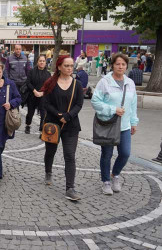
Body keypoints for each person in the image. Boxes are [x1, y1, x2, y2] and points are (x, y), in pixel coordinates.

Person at [91, 53, 139, 195]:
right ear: (112, 65)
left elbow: (133, 104)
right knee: (107, 154)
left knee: (125, 153)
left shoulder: (130, 83)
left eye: (123, 64)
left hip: (124, 126)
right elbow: (95, 102)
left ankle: (115, 175)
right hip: (109, 124)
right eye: (118, 64)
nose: (120, 66)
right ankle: (106, 181)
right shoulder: (104, 82)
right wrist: (113, 109)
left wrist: (133, 122)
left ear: (126, 66)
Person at [41, 55, 84, 201]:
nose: (69, 68)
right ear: (59, 67)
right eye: (66, 65)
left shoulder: (77, 84)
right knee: (50, 151)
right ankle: (48, 171)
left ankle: (70, 188)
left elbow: (79, 104)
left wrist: (68, 116)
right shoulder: (51, 82)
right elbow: (45, 102)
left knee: (70, 156)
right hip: (53, 124)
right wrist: (58, 114)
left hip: (71, 125)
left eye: (71, 66)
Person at [0, 61, 21, 187]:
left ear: (2, 72)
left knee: (0, 145)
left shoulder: (10, 84)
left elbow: (18, 98)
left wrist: (11, 104)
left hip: (5, 120)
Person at [24, 55, 51, 134]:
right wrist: (34, 91)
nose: (42, 62)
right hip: (32, 95)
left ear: (45, 62)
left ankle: (41, 130)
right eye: (40, 61)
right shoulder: (31, 71)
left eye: (43, 61)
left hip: (43, 96)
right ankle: (28, 125)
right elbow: (28, 82)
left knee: (43, 113)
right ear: (37, 62)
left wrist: (42, 93)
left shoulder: (48, 74)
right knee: (30, 112)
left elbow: (49, 85)